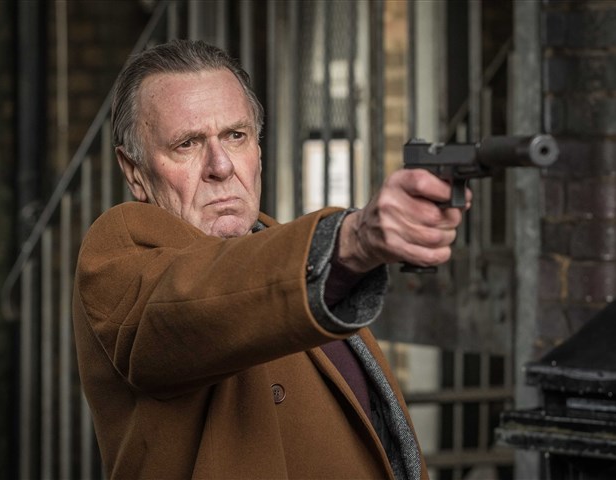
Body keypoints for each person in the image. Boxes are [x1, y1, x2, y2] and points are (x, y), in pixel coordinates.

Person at [73, 39, 469, 480]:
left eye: (236, 136)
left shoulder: (285, 248)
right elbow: (188, 304)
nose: (221, 166)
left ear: (258, 150)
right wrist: (352, 240)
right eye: (187, 143)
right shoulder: (120, 248)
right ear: (134, 171)